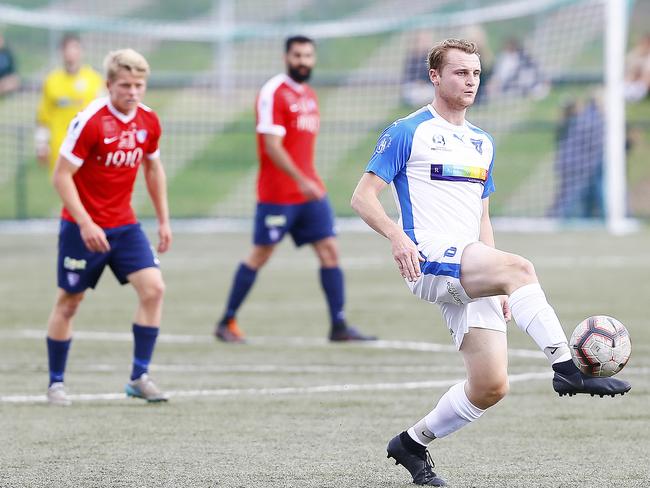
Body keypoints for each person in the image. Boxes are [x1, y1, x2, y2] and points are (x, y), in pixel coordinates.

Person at [351, 38, 630, 486]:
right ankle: (567, 370)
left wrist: (497, 281)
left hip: (468, 262)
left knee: (490, 386)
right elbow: (362, 197)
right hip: (428, 258)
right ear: (435, 76)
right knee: (521, 267)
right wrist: (397, 236)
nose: (471, 81)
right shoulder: (409, 130)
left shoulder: (483, 143)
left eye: (476, 73)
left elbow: (482, 217)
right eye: (461, 72)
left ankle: (411, 443)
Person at [215, 35, 375, 344]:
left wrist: (307, 180)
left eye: (308, 56)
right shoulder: (273, 92)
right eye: (297, 55)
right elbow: (272, 146)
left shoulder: (309, 95)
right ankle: (227, 321)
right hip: (279, 194)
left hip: (310, 191)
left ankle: (338, 326)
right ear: (286, 57)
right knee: (261, 254)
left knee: (330, 251)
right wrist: (300, 179)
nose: (303, 61)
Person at [45, 49, 171, 406]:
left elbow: (152, 168)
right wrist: (85, 223)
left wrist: (163, 219)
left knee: (154, 289)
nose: (133, 92)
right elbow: (61, 176)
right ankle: (56, 383)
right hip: (81, 227)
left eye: (139, 85)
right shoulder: (90, 120)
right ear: (109, 85)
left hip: (124, 225)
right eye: (125, 85)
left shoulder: (148, 121)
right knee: (70, 303)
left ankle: (139, 376)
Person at [36, 33, 103, 173]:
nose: (71, 53)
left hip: (88, 145)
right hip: (60, 145)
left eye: (75, 48)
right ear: (61, 52)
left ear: (81, 51)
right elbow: (44, 116)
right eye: (66, 49)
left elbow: (103, 113)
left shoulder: (94, 79)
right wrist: (41, 144)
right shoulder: (52, 80)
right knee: (64, 189)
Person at [549, 97, 604, 219]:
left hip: (571, 163)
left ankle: (556, 216)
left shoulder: (574, 123)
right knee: (569, 195)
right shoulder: (578, 122)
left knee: (568, 194)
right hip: (576, 164)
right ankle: (557, 216)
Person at [624, 33, 650, 102]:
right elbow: (627, 62)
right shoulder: (636, 54)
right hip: (629, 83)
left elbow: (646, 77)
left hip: (640, 87)